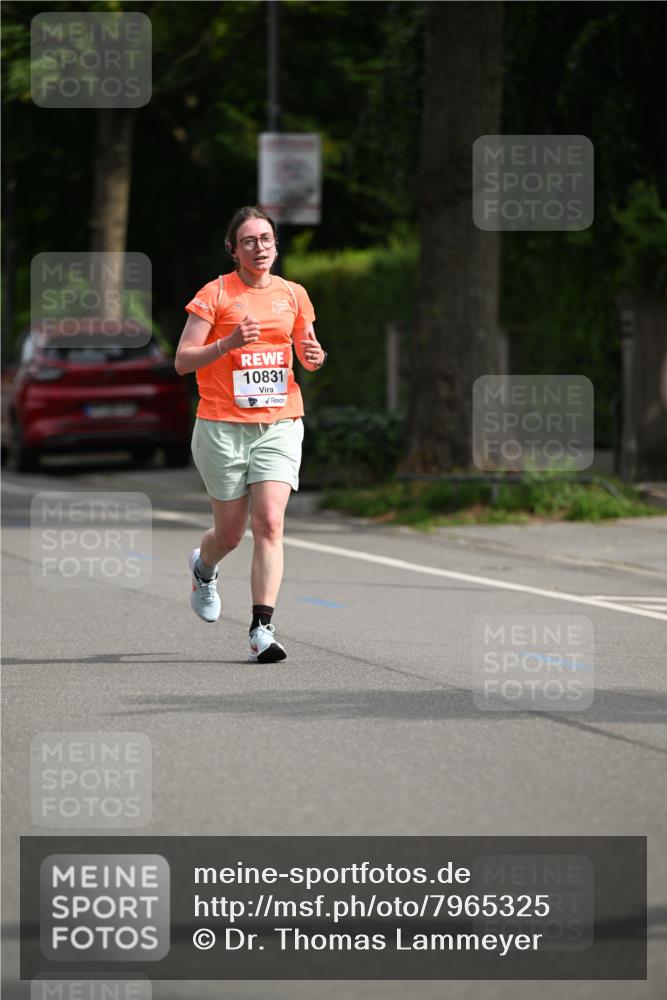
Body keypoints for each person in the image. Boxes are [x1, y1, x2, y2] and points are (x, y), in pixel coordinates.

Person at [174, 206, 327, 662]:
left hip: (280, 422)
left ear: (276, 244)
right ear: (233, 249)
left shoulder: (294, 294)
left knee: (271, 523)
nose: (259, 248)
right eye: (248, 241)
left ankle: (262, 627)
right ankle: (204, 569)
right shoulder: (216, 293)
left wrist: (315, 357)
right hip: (221, 426)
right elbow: (183, 360)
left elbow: (306, 351)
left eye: (265, 239)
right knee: (230, 533)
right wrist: (228, 343)